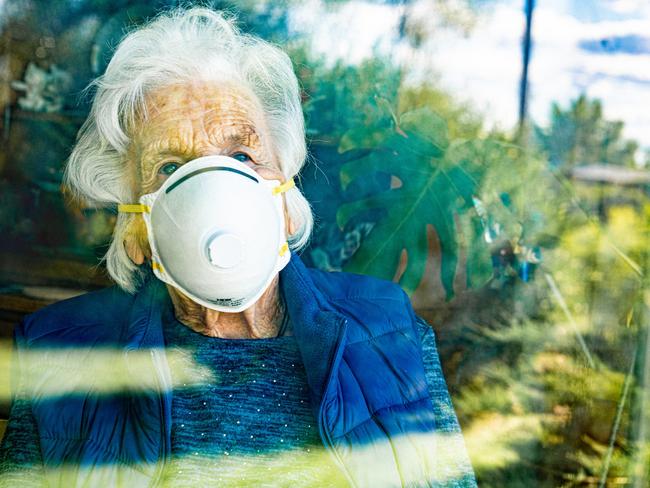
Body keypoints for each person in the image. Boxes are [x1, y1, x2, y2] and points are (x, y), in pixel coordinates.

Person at [0, 7, 476, 487]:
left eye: (242, 156)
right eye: (170, 167)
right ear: (133, 229)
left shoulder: (391, 334)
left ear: (287, 201)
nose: (216, 191)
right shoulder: (57, 353)